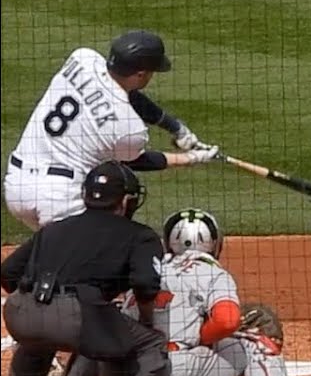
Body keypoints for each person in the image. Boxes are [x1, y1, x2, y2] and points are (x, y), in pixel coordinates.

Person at [4, 29, 222, 233]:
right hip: (60, 198)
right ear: (141, 74)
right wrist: (191, 158)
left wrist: (176, 128)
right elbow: (135, 161)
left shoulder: (82, 59)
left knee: (52, 255)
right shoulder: (129, 130)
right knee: (95, 256)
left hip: (16, 185)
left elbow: (125, 94)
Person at [62, 208, 290, 376]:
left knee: (103, 324)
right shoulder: (211, 271)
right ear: (214, 243)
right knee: (257, 339)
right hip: (171, 372)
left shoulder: (148, 265)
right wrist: (200, 337)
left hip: (119, 372)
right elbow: (226, 321)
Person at [1, 161, 172, 376]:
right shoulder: (140, 235)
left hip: (20, 312)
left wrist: (36, 306)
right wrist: (147, 322)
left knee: (38, 341)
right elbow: (146, 284)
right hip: (77, 316)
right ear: (125, 201)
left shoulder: (54, 228)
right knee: (149, 344)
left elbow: (8, 272)